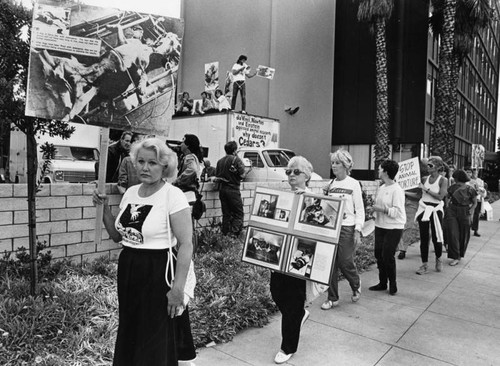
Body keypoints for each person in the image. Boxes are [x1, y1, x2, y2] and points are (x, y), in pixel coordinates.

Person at [92, 137, 196, 365]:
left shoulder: (173, 195)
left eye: (152, 163)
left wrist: (177, 289)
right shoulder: (130, 193)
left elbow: (186, 244)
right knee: (131, 328)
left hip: (158, 270)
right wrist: (104, 209)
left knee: (154, 334)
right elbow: (118, 236)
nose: (145, 167)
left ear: (164, 166)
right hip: (129, 267)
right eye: (140, 162)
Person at [270, 156, 313, 364]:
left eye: (296, 172)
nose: (292, 176)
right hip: (280, 255)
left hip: (299, 256)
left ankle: (288, 347)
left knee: (293, 301)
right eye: (288, 172)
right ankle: (298, 315)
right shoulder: (285, 198)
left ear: (307, 176)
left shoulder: (313, 199)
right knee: (276, 291)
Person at [321, 149, 364, 310]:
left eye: (337, 163)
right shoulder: (330, 185)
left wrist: (358, 230)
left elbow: (359, 209)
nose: (334, 165)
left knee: (345, 261)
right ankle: (332, 298)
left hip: (347, 227)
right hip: (331, 228)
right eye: (333, 162)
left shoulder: (353, 184)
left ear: (346, 165)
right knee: (330, 264)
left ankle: (355, 283)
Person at [368, 160, 406, 295]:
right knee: (378, 254)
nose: (378, 171)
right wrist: (372, 212)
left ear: (385, 171)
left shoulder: (397, 190)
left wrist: (382, 209)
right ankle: (382, 282)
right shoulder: (382, 187)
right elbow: (377, 206)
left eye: (379, 169)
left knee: (387, 255)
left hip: (394, 227)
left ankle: (393, 284)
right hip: (380, 225)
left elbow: (397, 212)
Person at [415, 156, 448, 275]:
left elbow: (440, 196)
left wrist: (426, 189)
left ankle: (438, 258)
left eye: (430, 165)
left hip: (436, 209)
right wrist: (404, 193)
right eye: (427, 165)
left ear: (438, 167)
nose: (427, 167)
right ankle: (424, 264)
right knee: (423, 237)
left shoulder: (443, 180)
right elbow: (419, 195)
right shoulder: (424, 179)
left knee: (436, 236)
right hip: (423, 208)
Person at [397, 158, 429, 260]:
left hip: (413, 202)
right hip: (403, 201)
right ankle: (401, 247)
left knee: (410, 226)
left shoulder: (423, 180)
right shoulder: (406, 176)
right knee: (402, 225)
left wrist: (404, 192)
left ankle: (406, 249)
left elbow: (418, 195)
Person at [445, 169, 477, 266]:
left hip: (464, 211)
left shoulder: (470, 189)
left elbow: (475, 202)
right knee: (452, 233)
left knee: (463, 234)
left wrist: (471, 211)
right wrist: (447, 206)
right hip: (452, 210)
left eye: (455, 178)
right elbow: (447, 196)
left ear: (457, 178)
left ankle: (459, 255)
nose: (454, 179)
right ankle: (455, 256)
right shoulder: (452, 187)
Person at [215, 141, 245, 236]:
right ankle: (233, 234)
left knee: (226, 213)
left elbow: (217, 175)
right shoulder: (236, 160)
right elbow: (242, 175)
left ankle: (224, 233)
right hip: (233, 189)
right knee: (238, 213)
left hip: (222, 190)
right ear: (235, 150)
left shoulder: (219, 161)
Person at [465, 167, 487, 237]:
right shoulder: (467, 181)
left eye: (476, 173)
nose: (475, 174)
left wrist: (481, 191)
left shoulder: (480, 181)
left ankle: (475, 230)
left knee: (476, 215)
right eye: (473, 173)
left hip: (477, 199)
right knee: (469, 215)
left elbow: (481, 190)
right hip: (469, 200)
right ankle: (468, 229)